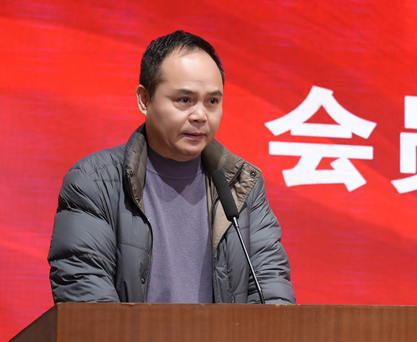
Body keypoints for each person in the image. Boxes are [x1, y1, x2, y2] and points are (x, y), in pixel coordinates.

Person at [48, 31, 294, 304]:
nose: (200, 115)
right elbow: (86, 296)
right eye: (184, 100)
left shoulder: (241, 185)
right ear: (145, 99)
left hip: (227, 336)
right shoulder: (95, 183)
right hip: (130, 335)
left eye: (212, 101)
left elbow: (271, 289)